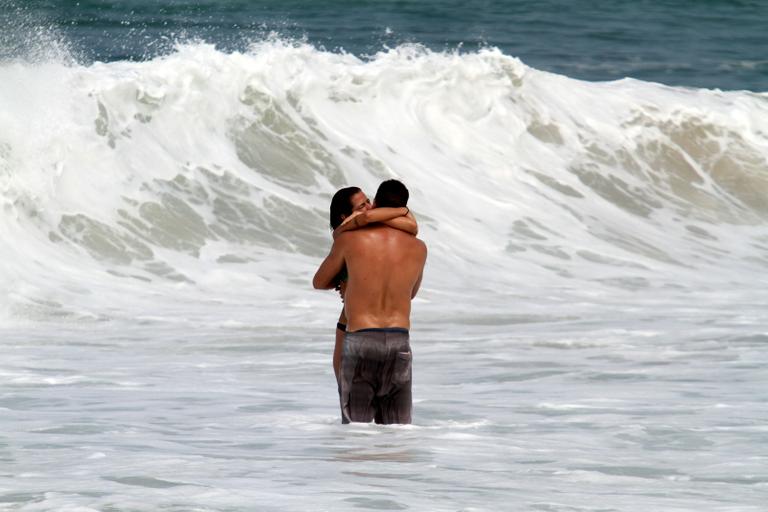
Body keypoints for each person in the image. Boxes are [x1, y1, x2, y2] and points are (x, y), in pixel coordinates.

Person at [314, 180, 427, 424]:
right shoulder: (419, 247)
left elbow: (319, 282)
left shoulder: (349, 240)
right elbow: (411, 293)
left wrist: (350, 281)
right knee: (398, 433)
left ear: (376, 203)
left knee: (357, 431)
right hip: (399, 343)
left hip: (361, 339)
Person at [327, 186, 418, 383]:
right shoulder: (348, 237)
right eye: (362, 205)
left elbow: (412, 227)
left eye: (369, 201)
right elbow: (412, 226)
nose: (370, 207)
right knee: (352, 402)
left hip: (363, 329)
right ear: (346, 216)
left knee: (356, 407)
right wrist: (401, 210)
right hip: (350, 326)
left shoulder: (358, 232)